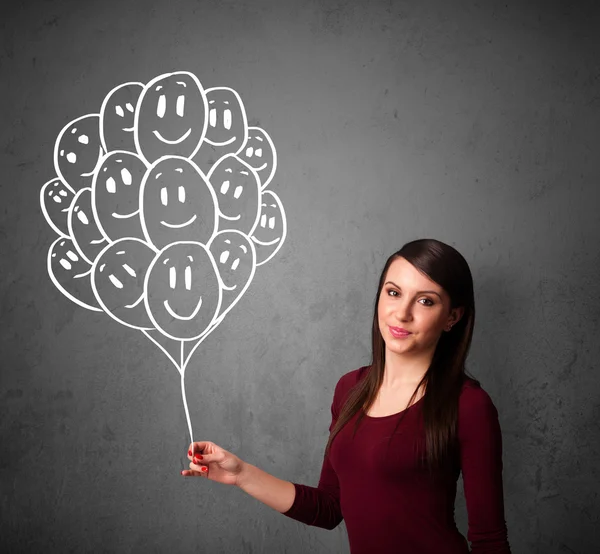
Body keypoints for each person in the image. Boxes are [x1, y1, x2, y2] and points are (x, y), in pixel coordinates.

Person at [181, 238, 512, 553]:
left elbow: (489, 543)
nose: (402, 313)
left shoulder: (469, 406)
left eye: (425, 300)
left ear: (452, 317)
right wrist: (241, 474)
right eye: (393, 293)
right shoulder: (350, 389)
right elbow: (329, 507)